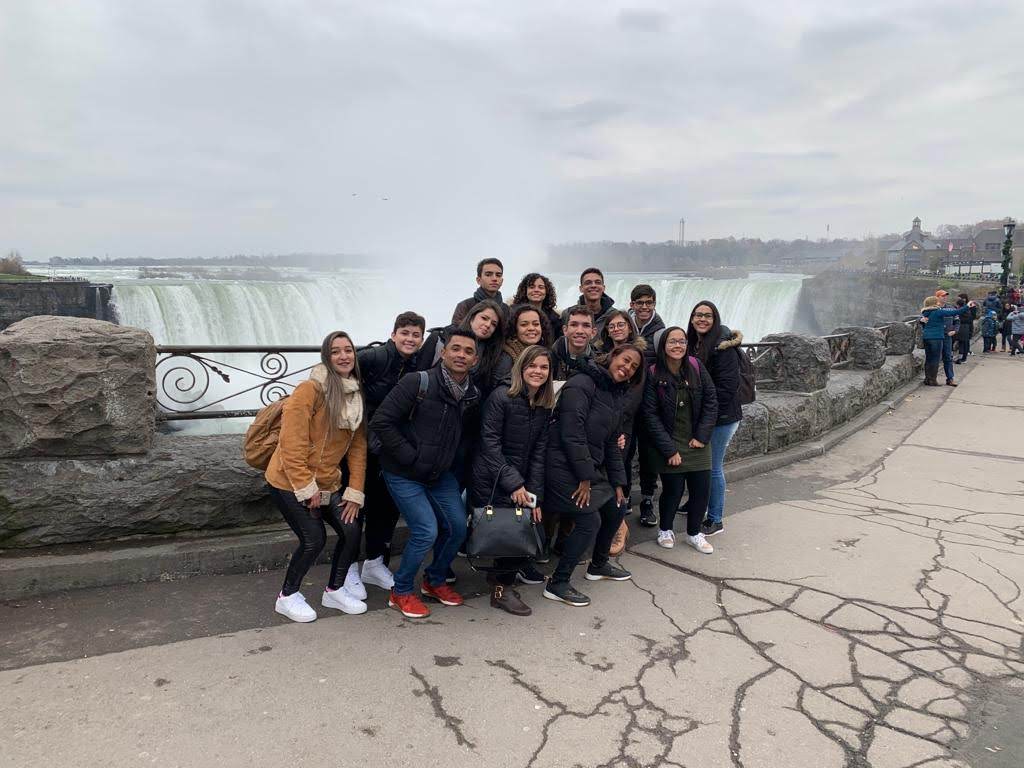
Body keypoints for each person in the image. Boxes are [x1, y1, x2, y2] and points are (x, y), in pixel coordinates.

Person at [370, 330, 481, 619]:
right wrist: (411, 457)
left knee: (458, 527)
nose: (461, 355)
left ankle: (434, 580)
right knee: (425, 530)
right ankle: (401, 591)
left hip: (439, 474)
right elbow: (382, 421)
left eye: (468, 351)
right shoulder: (417, 382)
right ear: (443, 353)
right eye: (455, 348)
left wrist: (454, 468)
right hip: (403, 472)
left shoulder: (472, 395)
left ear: (475, 360)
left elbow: (465, 438)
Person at [266, 331, 368, 622]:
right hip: (288, 481)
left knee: (351, 529)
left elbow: (357, 448)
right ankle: (287, 596)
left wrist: (355, 491)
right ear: (326, 356)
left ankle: (334, 590)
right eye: (335, 351)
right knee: (314, 538)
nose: (343, 356)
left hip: (327, 481)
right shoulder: (309, 390)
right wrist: (306, 487)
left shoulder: (355, 395)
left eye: (348, 350)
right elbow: (291, 444)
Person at [543, 344, 644, 607]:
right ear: (613, 356)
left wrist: (618, 483)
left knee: (617, 505)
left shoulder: (614, 394)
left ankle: (598, 565)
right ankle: (558, 583)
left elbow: (611, 442)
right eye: (626, 360)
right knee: (590, 521)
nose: (628, 368)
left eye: (634, 367)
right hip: (558, 467)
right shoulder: (582, 383)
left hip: (584, 469)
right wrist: (586, 477)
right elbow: (571, 433)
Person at [470, 345, 555, 616]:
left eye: (544, 367)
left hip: (519, 482)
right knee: (507, 536)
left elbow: (539, 454)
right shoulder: (501, 396)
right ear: (521, 367)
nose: (538, 371)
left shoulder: (542, 405)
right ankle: (500, 592)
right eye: (532, 366)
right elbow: (489, 444)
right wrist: (515, 484)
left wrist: (535, 496)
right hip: (493, 478)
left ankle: (501, 584)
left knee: (520, 532)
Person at [351, 311, 424, 594]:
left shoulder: (416, 364)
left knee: (386, 507)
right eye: (404, 333)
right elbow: (339, 371)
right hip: (362, 444)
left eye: (415, 335)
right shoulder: (375, 357)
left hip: (390, 447)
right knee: (355, 506)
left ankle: (374, 563)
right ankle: (346, 569)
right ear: (393, 334)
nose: (410, 339)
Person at [641, 327, 719, 554]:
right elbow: (650, 415)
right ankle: (665, 530)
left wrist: (702, 436)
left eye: (682, 341)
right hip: (670, 441)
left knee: (701, 490)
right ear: (663, 346)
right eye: (672, 341)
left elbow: (711, 401)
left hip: (697, 442)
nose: (677, 346)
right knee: (673, 490)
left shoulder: (696, 366)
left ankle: (694, 533)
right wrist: (669, 449)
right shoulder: (653, 373)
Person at [687, 301, 743, 538]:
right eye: (698, 315)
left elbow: (727, 389)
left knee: (713, 467)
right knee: (699, 464)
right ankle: (695, 503)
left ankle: (715, 518)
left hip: (723, 417)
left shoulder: (723, 347)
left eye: (707, 316)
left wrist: (706, 416)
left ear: (715, 319)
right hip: (708, 415)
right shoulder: (696, 343)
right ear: (692, 319)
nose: (702, 319)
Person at [492, 303, 553, 387]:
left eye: (536, 324)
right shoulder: (506, 358)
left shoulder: (545, 354)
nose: (531, 328)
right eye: (524, 324)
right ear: (515, 329)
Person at [920, 296, 975, 386]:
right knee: (935, 359)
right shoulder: (938, 311)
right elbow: (955, 312)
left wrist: (921, 320)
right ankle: (933, 380)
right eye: (937, 301)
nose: (938, 303)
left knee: (929, 358)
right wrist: (967, 306)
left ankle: (927, 379)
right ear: (934, 303)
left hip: (926, 337)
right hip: (936, 337)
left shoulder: (925, 312)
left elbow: (921, 320)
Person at [451, 258, 510, 326]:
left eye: (498, 275)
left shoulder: (507, 310)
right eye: (488, 274)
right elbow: (456, 331)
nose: (494, 278)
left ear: (502, 281)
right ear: (478, 280)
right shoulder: (465, 306)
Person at [563, 267, 616, 335]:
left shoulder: (614, 316)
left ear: (603, 288)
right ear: (581, 288)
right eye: (588, 283)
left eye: (598, 282)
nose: (593, 285)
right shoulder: (567, 314)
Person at [511, 273, 563, 342]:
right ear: (525, 290)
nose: (536, 290)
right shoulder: (511, 312)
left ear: (547, 291)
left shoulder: (555, 319)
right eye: (531, 287)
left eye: (541, 287)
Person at [552, 306, 597, 381]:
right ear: (565, 330)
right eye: (574, 325)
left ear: (593, 332)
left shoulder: (599, 364)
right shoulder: (548, 359)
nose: (580, 331)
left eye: (586, 326)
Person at [628, 284, 665, 354]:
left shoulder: (660, 334)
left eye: (649, 303)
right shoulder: (622, 328)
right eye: (639, 303)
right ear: (632, 305)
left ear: (654, 305)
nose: (644, 307)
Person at [935, 289, 959, 385]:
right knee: (935, 357)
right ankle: (932, 378)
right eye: (943, 296)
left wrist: (955, 330)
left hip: (947, 336)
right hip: (936, 336)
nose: (945, 297)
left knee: (948, 357)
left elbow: (957, 321)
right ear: (937, 297)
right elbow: (923, 318)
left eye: (946, 296)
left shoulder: (951, 308)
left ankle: (950, 378)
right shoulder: (933, 308)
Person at [954, 294, 976, 364]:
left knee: (962, 344)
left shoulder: (961, 311)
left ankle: (961, 358)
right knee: (964, 344)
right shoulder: (968, 310)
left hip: (961, 328)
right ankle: (963, 358)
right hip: (967, 328)